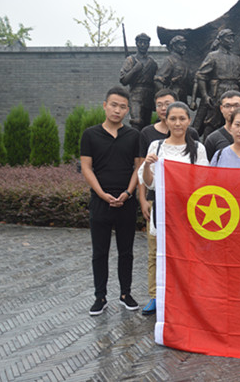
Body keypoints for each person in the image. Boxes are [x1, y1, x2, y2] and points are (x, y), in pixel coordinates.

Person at [137, 89, 199, 315]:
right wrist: (148, 165)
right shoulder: (157, 147)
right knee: (156, 253)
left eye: (182, 118)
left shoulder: (197, 148)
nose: (177, 123)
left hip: (188, 210)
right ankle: (156, 296)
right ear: (166, 120)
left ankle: (186, 295)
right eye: (173, 118)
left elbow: (205, 180)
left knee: (187, 254)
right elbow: (149, 182)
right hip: (161, 209)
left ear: (189, 121)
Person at [80, 86, 141, 316]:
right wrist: (101, 193)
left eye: (122, 107)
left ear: (127, 110)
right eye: (113, 105)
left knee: (126, 251)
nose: (117, 110)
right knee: (100, 252)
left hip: (127, 202)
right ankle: (100, 296)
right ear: (105, 106)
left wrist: (128, 192)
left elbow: (138, 168)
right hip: (100, 202)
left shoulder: (133, 136)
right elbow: (86, 167)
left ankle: (126, 294)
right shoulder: (90, 135)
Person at [192, 29, 240, 138]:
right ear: (220, 40)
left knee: (235, 120)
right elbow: (201, 75)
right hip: (218, 91)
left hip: (234, 89)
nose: (231, 41)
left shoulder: (236, 58)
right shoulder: (212, 56)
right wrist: (205, 96)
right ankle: (208, 145)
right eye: (228, 38)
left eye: (232, 38)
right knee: (212, 121)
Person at [119, 33, 158, 130]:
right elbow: (123, 80)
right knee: (136, 122)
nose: (143, 45)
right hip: (135, 95)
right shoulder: (130, 60)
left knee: (146, 126)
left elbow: (157, 81)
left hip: (149, 96)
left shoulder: (152, 63)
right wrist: (135, 69)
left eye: (145, 42)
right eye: (141, 42)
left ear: (148, 45)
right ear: (136, 43)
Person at [204, 91, 240, 161]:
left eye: (237, 106)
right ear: (221, 109)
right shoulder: (212, 139)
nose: (232, 110)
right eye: (227, 106)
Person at [154, 35, 190, 104]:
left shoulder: (184, 62)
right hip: (173, 97)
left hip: (182, 98)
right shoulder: (170, 60)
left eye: (184, 45)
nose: (184, 47)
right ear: (174, 46)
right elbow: (158, 80)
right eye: (181, 45)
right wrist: (165, 95)